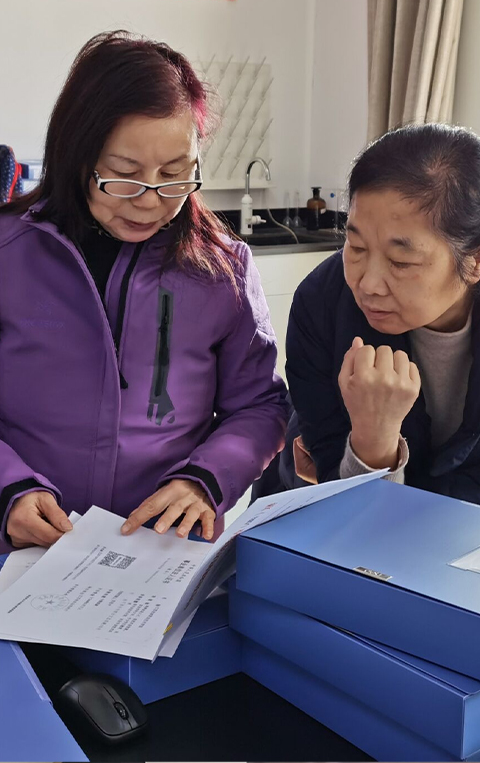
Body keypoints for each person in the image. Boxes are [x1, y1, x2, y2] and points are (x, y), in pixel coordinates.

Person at [0, 31, 288, 551]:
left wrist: (203, 480)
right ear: (76, 156)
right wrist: (9, 490)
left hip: (160, 549)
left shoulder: (222, 269)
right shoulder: (9, 252)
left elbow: (261, 407)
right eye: (125, 175)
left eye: (175, 174)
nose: (150, 201)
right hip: (23, 547)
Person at [285, 123, 480, 501]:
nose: (368, 284)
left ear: (474, 262)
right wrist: (373, 439)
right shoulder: (321, 303)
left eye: (401, 261)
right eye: (356, 247)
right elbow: (336, 485)